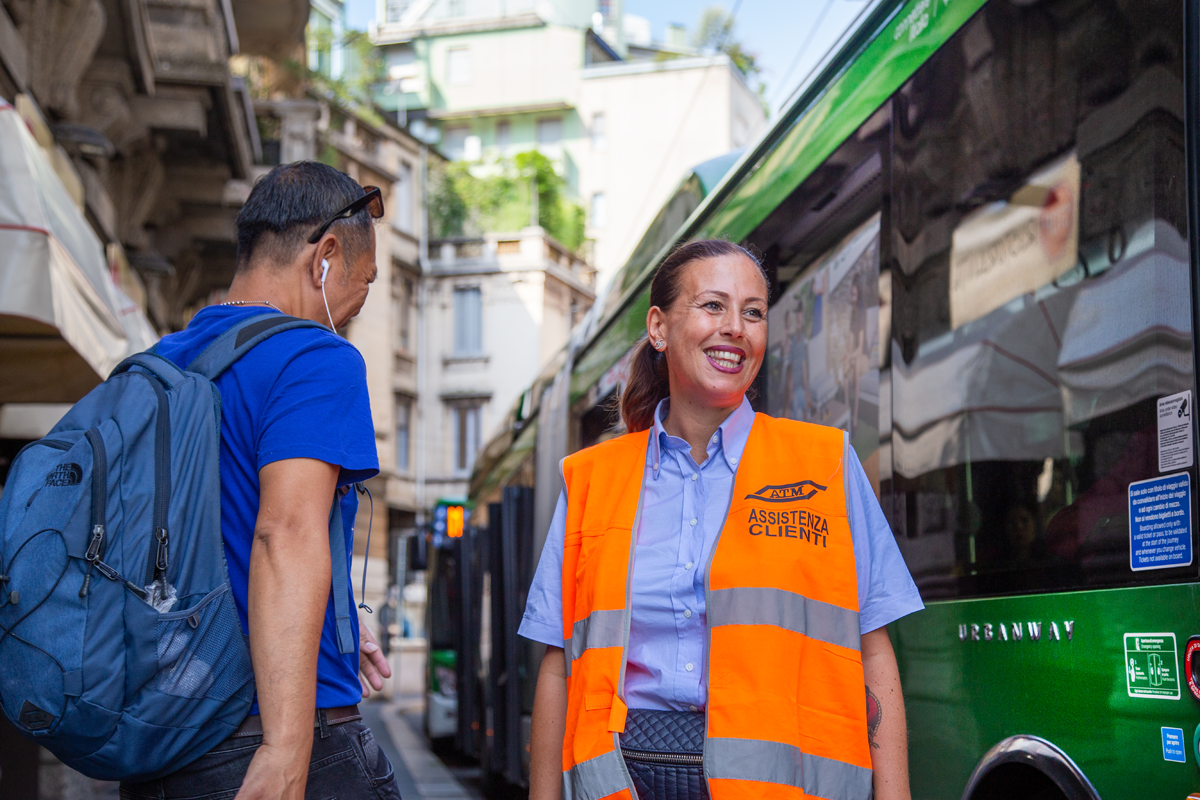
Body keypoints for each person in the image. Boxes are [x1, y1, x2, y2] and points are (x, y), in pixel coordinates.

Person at [520, 240, 924, 800]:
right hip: (623, 784)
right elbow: (556, 665)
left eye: (753, 312)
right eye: (713, 306)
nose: (736, 327)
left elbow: (873, 651)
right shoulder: (590, 480)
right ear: (659, 329)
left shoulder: (826, 464)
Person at [120, 162, 399, 800]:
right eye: (366, 279)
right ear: (325, 257)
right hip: (273, 744)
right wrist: (286, 751)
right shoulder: (315, 358)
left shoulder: (162, 362)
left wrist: (337, 620)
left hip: (160, 745)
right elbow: (283, 535)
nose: (360, 303)